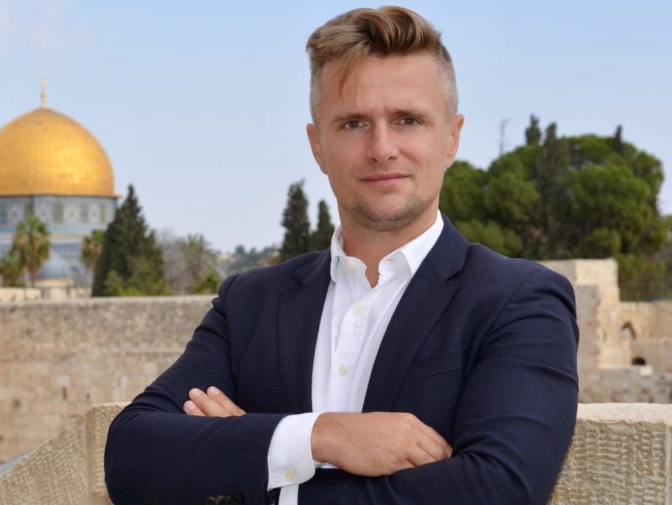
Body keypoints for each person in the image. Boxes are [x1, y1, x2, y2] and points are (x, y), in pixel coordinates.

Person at [104, 6, 578, 505]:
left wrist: (263, 470)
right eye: (353, 123)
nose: (382, 148)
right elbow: (131, 456)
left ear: (451, 138)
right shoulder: (250, 304)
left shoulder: (517, 301)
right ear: (318, 146)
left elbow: (498, 490)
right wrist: (319, 435)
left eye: (408, 120)